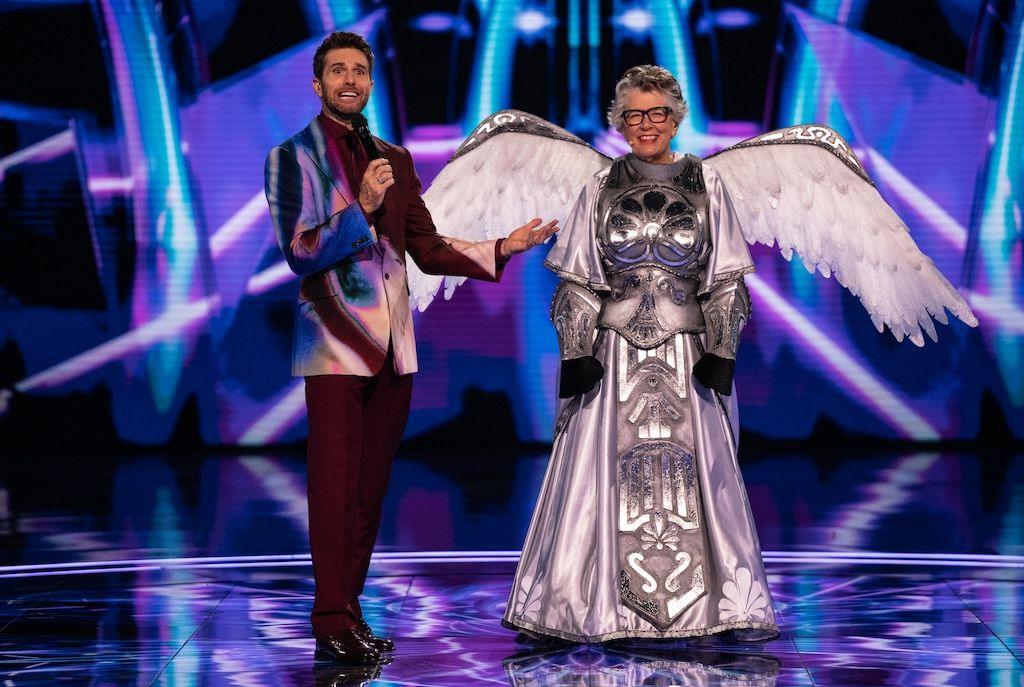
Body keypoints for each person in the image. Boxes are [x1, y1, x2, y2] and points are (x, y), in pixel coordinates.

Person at [265, 31, 557, 666]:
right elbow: (300, 251)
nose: (349, 80)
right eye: (337, 71)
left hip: (395, 348)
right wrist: (362, 209)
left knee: (369, 493)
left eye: (359, 71)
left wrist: (500, 248)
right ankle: (330, 620)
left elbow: (425, 247)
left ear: (370, 83)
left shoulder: (393, 157)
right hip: (337, 345)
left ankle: (349, 611)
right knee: (334, 488)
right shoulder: (293, 157)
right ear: (318, 84)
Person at [502, 65, 779, 642]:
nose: (646, 124)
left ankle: (717, 610)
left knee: (699, 477)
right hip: (614, 358)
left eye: (656, 113)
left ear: (675, 117)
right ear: (619, 122)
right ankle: (588, 606)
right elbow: (578, 281)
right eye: (633, 115)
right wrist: (576, 354)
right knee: (598, 479)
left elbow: (726, 278)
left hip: (687, 354)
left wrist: (722, 350)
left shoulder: (708, 184)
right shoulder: (598, 186)